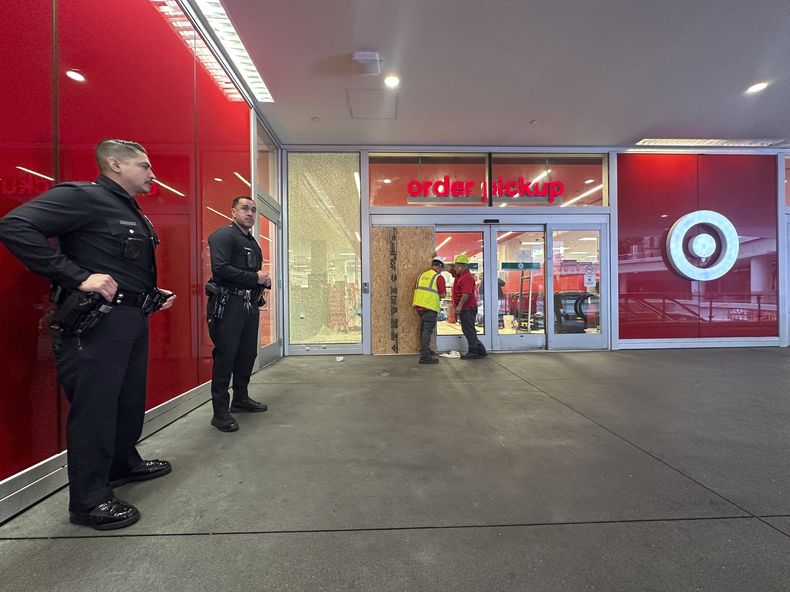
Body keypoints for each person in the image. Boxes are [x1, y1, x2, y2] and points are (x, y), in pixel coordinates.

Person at [0, 139, 175, 530]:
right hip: (96, 323)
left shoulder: (130, 209)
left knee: (127, 401)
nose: (152, 174)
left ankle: (121, 464)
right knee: (95, 408)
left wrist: (149, 293)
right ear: (114, 164)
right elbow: (15, 226)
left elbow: (117, 263)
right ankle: (89, 500)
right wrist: (78, 277)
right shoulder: (83, 197)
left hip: (130, 317)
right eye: (144, 166)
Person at [206, 196, 271, 433]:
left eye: (253, 210)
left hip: (248, 304)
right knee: (226, 356)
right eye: (245, 208)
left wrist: (260, 282)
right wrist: (255, 277)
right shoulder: (223, 236)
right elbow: (220, 268)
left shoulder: (253, 243)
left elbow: (251, 272)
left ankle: (240, 399)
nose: (250, 213)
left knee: (246, 354)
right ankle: (219, 412)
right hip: (228, 304)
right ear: (233, 211)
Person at [449, 254, 487, 359]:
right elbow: (449, 269)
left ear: (462, 266)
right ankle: (481, 350)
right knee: (469, 329)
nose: (455, 269)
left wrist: (459, 307)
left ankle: (473, 352)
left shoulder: (467, 278)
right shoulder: (459, 275)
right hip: (465, 308)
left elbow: (466, 294)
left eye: (456, 266)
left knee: (469, 330)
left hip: (467, 308)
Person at [412, 258, 446, 364]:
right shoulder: (438, 277)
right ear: (439, 267)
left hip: (419, 306)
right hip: (430, 307)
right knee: (427, 331)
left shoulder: (421, 276)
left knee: (423, 329)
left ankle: (425, 350)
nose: (441, 271)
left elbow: (416, 289)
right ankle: (425, 356)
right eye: (441, 269)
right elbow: (443, 294)